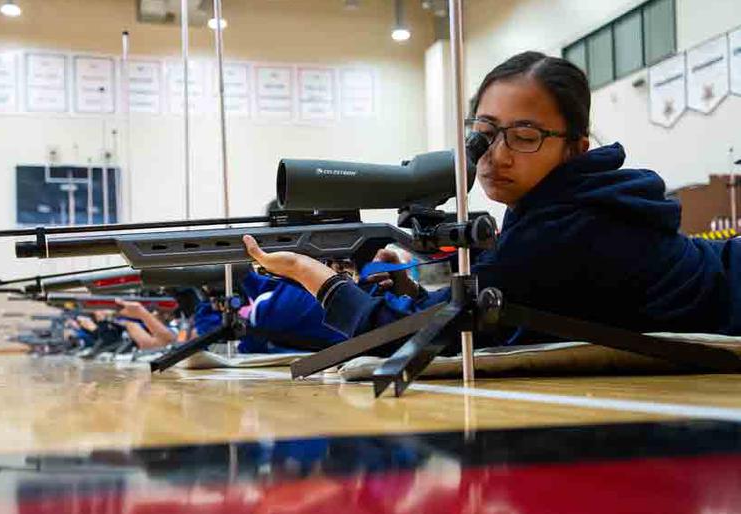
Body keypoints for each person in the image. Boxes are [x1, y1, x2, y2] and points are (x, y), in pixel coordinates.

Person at [243, 51, 741, 344]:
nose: (495, 155)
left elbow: (408, 335)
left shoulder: (563, 231)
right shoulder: (563, 210)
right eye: (483, 133)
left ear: (575, 149)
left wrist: (314, 275)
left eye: (524, 136)